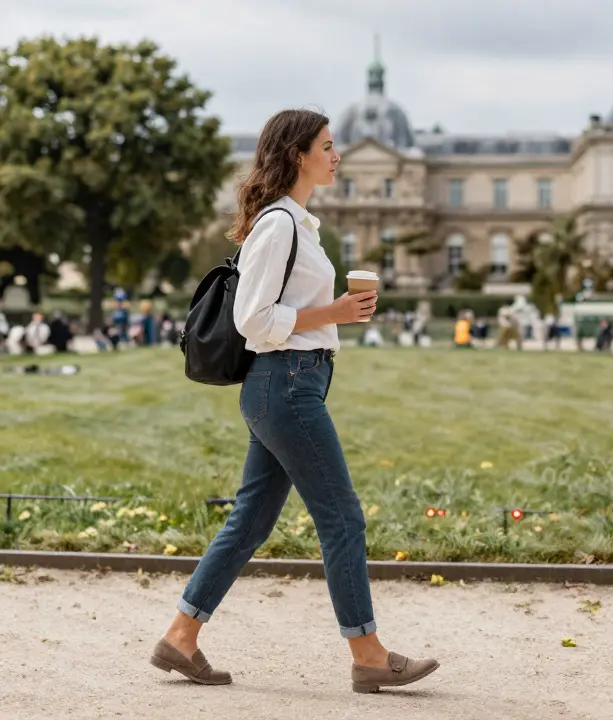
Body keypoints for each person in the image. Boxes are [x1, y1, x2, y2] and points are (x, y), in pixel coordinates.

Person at [150, 109, 438, 693]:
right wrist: (334, 312)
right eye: (327, 146)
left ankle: (180, 638)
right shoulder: (279, 224)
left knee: (250, 522)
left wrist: (333, 316)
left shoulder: (298, 223)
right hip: (286, 383)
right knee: (342, 517)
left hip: (288, 383)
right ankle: (368, 655)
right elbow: (252, 319)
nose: (337, 156)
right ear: (297, 155)